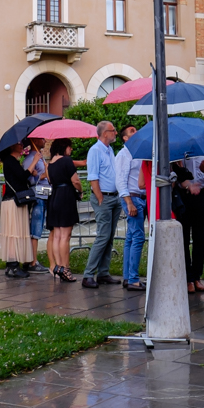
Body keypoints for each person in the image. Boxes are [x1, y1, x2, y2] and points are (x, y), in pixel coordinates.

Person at [82, 121, 120, 289]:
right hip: (104, 198)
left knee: (109, 237)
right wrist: (100, 198)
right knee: (103, 236)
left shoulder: (109, 150)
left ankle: (103, 273)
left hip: (113, 197)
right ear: (105, 133)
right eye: (113, 131)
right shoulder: (95, 151)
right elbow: (93, 177)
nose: (116, 133)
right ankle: (88, 274)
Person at [179, 148, 204, 294]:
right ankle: (187, 278)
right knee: (184, 238)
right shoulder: (180, 152)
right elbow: (173, 175)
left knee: (199, 238)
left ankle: (197, 276)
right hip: (184, 196)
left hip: (200, 195)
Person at [115, 125, 146, 291]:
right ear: (125, 138)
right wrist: (128, 202)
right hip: (132, 197)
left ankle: (128, 277)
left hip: (140, 197)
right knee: (138, 237)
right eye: (132, 131)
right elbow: (120, 181)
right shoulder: (124, 154)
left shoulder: (138, 152)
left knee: (131, 237)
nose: (136, 132)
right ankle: (133, 278)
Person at [45, 138, 81, 283]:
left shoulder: (50, 164)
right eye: (69, 147)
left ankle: (58, 267)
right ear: (64, 147)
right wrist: (80, 190)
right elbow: (76, 181)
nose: (70, 150)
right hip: (66, 196)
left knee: (58, 235)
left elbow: (49, 180)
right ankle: (66, 268)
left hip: (54, 197)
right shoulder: (66, 161)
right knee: (65, 236)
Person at [0, 143, 33, 278]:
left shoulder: (12, 161)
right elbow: (22, 177)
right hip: (13, 201)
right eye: (19, 144)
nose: (22, 145)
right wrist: (34, 162)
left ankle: (12, 264)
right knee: (13, 232)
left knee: (15, 231)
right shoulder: (10, 161)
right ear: (12, 146)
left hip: (14, 201)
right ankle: (13, 265)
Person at [21, 137, 50, 274]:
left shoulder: (40, 158)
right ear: (34, 141)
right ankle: (32, 261)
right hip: (36, 196)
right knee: (35, 228)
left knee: (39, 227)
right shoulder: (30, 158)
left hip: (44, 195)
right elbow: (27, 177)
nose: (45, 140)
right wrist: (41, 176)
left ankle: (33, 259)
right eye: (41, 139)